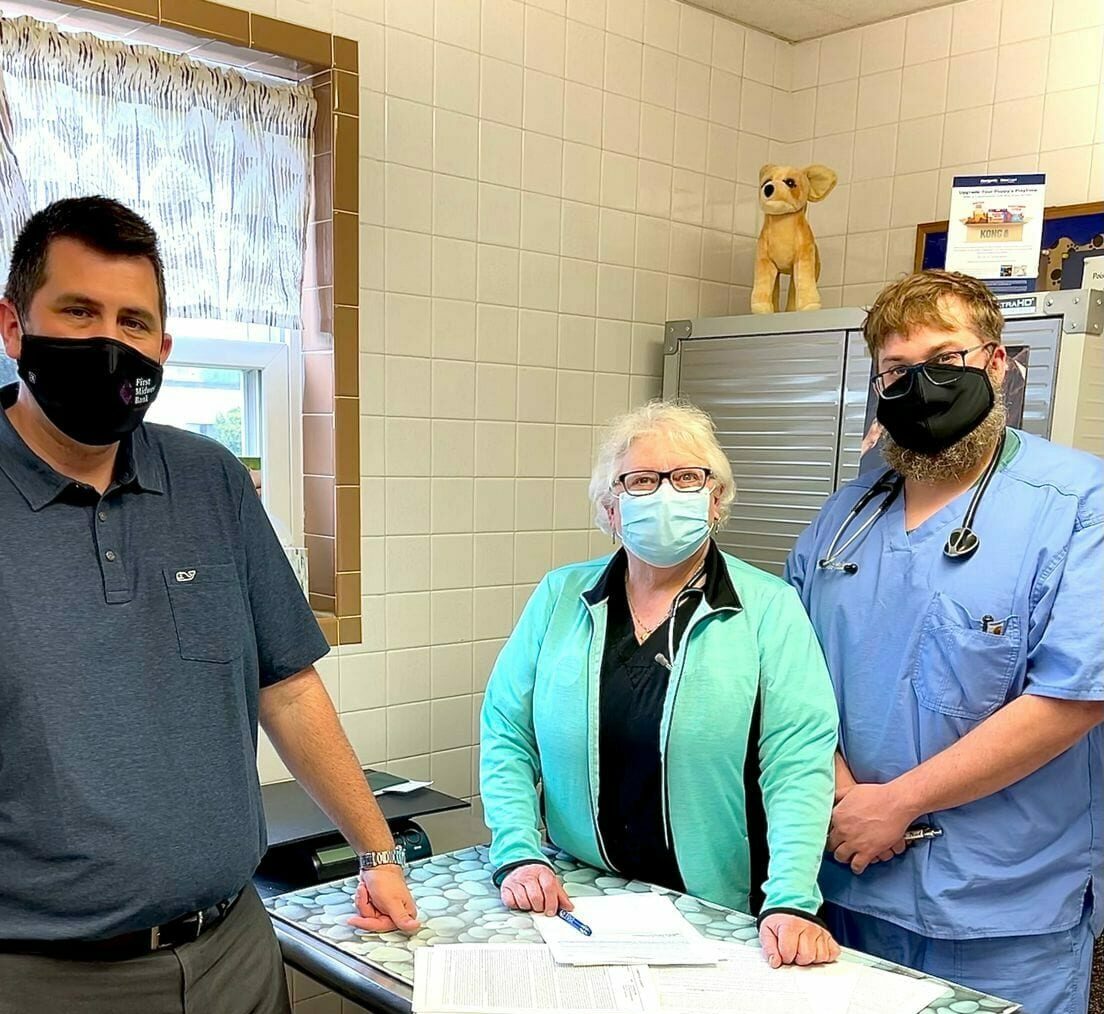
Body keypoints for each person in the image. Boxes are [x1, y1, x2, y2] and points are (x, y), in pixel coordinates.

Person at [0, 197, 419, 1014]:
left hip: (234, 951)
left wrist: (377, 852)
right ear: (14, 326)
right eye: (79, 312)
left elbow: (287, 688)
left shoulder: (211, 480)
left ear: (162, 348)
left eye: (133, 322)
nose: (108, 343)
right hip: (42, 976)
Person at [785, 270, 1104, 1013]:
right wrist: (846, 799)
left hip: (1002, 905)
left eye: (946, 358)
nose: (921, 384)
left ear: (996, 363)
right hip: (848, 876)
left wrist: (897, 803)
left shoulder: (1079, 503)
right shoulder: (845, 517)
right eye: (897, 369)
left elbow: (1076, 696)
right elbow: (785, 674)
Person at [480, 400, 841, 968]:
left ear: (716, 500)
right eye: (642, 480)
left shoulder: (769, 608)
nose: (665, 494)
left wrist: (793, 898)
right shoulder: (560, 596)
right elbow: (507, 730)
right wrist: (518, 851)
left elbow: (798, 761)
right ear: (611, 508)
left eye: (687, 477)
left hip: (718, 910)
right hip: (576, 893)